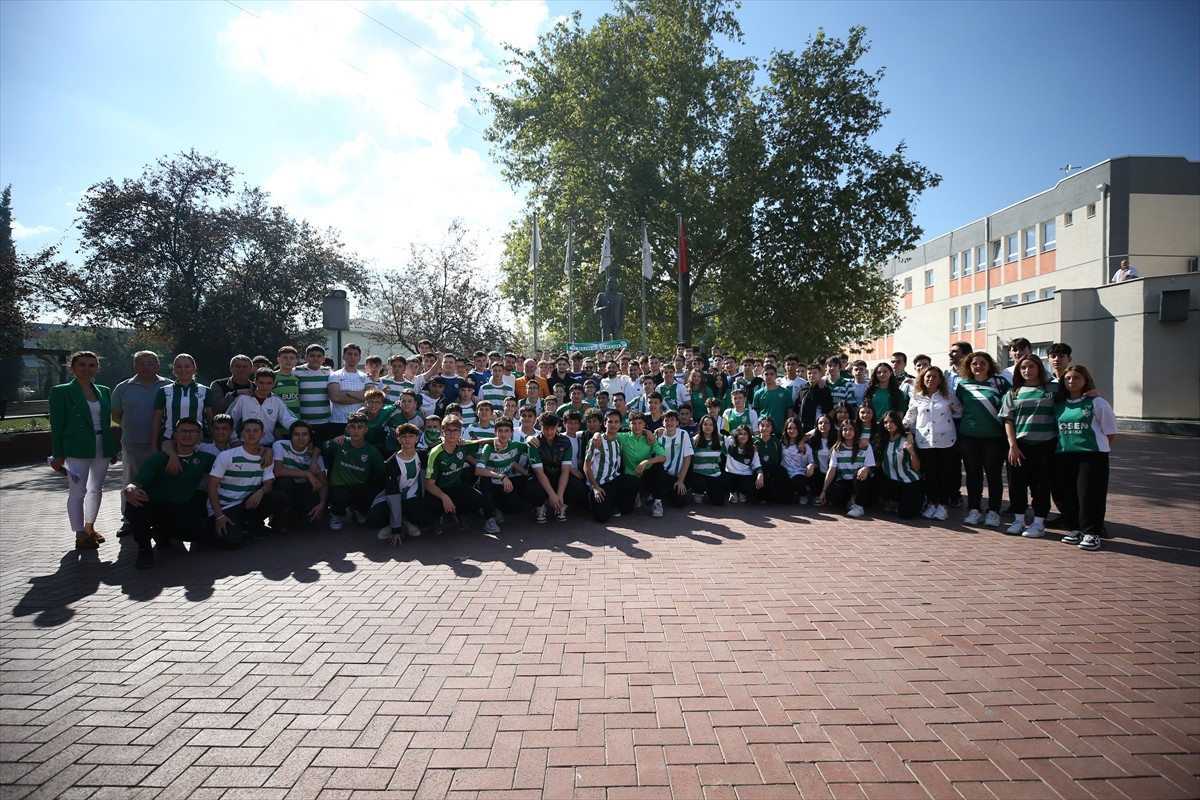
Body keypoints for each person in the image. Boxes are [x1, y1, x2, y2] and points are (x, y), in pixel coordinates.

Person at [49, 351, 118, 551]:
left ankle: (90, 528)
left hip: (101, 444)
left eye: (91, 365)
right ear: (72, 367)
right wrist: (58, 454)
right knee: (78, 490)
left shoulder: (103, 390)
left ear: (97, 368)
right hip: (76, 446)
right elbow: (57, 424)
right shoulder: (61, 391)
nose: (87, 369)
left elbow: (106, 422)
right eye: (82, 365)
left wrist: (111, 448)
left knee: (96, 489)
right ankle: (79, 533)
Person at [123, 417, 214, 568]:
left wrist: (264, 452)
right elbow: (135, 483)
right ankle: (144, 549)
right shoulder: (158, 458)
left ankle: (162, 532)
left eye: (192, 431)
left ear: (199, 436)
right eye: (182, 431)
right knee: (135, 504)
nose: (187, 434)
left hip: (179, 508)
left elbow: (231, 463)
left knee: (201, 535)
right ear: (175, 435)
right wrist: (129, 490)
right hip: (153, 504)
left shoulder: (203, 459)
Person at [1055, 365, 1118, 551]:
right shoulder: (1059, 404)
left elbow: (1111, 431)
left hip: (1092, 455)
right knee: (1069, 494)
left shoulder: (1097, 402)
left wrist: (1100, 449)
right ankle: (1075, 529)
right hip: (1065, 454)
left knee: (1090, 495)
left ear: (1086, 380)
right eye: (1068, 378)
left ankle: (1092, 533)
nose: (1071, 382)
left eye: (1076, 378)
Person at [110, 350, 171, 536]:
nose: (146, 367)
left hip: (163, 445)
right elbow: (116, 415)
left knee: (162, 482)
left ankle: (161, 519)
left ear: (158, 366)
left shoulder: (168, 386)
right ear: (135, 366)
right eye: (142, 363)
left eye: (151, 363)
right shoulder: (123, 388)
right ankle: (129, 520)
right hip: (134, 444)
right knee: (131, 483)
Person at [998, 354, 1058, 538]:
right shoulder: (1013, 392)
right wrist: (1013, 446)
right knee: (1017, 485)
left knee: (1041, 485)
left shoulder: (1053, 389)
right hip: (1020, 446)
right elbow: (1008, 420)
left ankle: (1038, 523)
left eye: (1031, 366)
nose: (1027, 371)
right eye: (1023, 367)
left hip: (1046, 445)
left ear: (1039, 368)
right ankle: (1018, 520)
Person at [206, 418, 286, 547]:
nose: (251, 434)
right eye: (247, 431)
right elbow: (212, 486)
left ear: (263, 435)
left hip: (246, 504)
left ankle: (249, 525)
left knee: (280, 497)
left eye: (255, 431)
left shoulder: (265, 457)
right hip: (225, 507)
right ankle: (225, 528)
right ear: (242, 434)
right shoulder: (227, 456)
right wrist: (219, 516)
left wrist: (260, 492)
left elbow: (268, 485)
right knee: (233, 543)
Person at [955, 352, 1009, 527]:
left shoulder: (1000, 383)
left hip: (994, 437)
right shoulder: (963, 385)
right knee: (973, 474)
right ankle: (974, 509)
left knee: (993, 475)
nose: (978, 366)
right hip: (968, 437)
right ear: (969, 366)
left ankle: (993, 511)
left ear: (989, 364)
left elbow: (1008, 406)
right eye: (974, 363)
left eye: (982, 363)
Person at [903, 366, 962, 521]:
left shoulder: (947, 395)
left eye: (934, 377)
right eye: (928, 376)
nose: (930, 379)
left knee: (945, 474)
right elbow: (910, 415)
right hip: (925, 441)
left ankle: (943, 506)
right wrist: (901, 428)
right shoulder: (917, 396)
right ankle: (931, 503)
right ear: (922, 378)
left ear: (940, 380)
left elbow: (959, 409)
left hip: (946, 441)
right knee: (929, 475)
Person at [523, 412, 589, 522]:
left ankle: (562, 505)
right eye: (546, 428)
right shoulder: (534, 442)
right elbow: (539, 472)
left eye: (552, 428)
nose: (549, 432)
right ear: (540, 426)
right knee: (530, 491)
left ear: (557, 426)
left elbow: (565, 470)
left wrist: (559, 494)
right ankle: (540, 506)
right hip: (541, 476)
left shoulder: (565, 441)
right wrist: (552, 495)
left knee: (579, 489)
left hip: (559, 474)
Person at [324, 412, 386, 530]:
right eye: (352, 427)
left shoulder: (371, 450)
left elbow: (382, 470)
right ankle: (337, 514)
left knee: (374, 497)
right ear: (347, 429)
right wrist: (312, 462)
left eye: (360, 427)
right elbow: (319, 447)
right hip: (339, 488)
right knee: (340, 498)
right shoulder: (339, 442)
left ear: (366, 429)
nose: (356, 431)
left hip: (359, 486)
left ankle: (358, 510)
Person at [423, 414, 484, 533]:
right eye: (448, 430)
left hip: (456, 486)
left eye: (455, 430)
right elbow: (429, 485)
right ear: (442, 431)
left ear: (460, 432)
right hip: (438, 490)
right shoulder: (435, 453)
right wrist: (444, 497)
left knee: (478, 500)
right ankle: (437, 517)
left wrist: (498, 440)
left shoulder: (462, 445)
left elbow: (484, 442)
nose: (452, 434)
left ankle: (459, 513)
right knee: (432, 507)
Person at [475, 416, 531, 534]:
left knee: (519, 507)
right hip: (489, 484)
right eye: (500, 431)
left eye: (506, 431)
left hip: (503, 485)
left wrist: (530, 438)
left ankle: (495, 507)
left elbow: (529, 448)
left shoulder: (516, 446)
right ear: (495, 432)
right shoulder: (489, 447)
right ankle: (488, 518)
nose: (503, 434)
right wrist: (501, 476)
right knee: (484, 480)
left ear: (512, 432)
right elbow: (478, 470)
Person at [269, 420, 327, 526]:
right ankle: (279, 517)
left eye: (304, 434)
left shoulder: (315, 456)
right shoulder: (280, 445)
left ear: (310, 437)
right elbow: (278, 471)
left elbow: (323, 482)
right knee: (285, 482)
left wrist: (323, 503)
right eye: (296, 434)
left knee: (314, 497)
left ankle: (296, 515)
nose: (300, 438)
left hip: (302, 489)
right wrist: (307, 474)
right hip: (284, 488)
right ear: (291, 436)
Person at [151, 354, 215, 449]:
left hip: (199, 440)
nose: (183, 370)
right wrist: (153, 446)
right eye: (179, 367)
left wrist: (214, 442)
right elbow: (157, 420)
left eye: (187, 366)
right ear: (174, 369)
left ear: (194, 368)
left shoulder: (205, 391)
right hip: (169, 439)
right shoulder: (164, 391)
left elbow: (210, 420)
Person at [228, 368, 299, 445]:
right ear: (255, 382)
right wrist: (233, 439)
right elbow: (229, 420)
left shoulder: (277, 401)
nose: (265, 387)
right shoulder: (243, 399)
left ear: (274, 384)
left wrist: (302, 428)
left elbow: (289, 420)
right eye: (261, 383)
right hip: (245, 445)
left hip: (269, 445)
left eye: (269, 383)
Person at [819, 419, 874, 518]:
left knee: (862, 472)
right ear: (841, 432)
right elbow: (831, 470)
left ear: (855, 431)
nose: (848, 432)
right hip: (845, 481)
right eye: (845, 429)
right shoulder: (837, 448)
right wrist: (824, 491)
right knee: (832, 492)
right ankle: (850, 500)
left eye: (851, 429)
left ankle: (858, 506)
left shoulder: (865, 446)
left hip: (859, 481)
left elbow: (869, 467)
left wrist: (865, 469)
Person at [875, 411, 924, 519]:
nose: (889, 425)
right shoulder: (883, 440)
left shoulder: (906, 440)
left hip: (911, 481)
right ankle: (897, 501)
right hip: (894, 481)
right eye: (885, 422)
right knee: (878, 485)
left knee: (905, 514)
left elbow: (916, 467)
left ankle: (918, 501)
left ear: (898, 422)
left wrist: (911, 452)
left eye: (892, 421)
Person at [328, 343, 375, 435]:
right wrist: (361, 395)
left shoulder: (366, 377)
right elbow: (336, 398)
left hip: (360, 422)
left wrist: (348, 393)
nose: (352, 357)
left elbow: (370, 397)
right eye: (349, 354)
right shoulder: (335, 375)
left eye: (355, 354)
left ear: (359, 358)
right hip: (339, 421)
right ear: (343, 356)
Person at [295, 344, 334, 443]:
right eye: (312, 355)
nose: (315, 358)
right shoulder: (296, 371)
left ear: (323, 359)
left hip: (324, 422)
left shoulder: (329, 372)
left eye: (319, 356)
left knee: (321, 452)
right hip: (303, 422)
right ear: (306, 357)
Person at [687, 414, 729, 506]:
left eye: (711, 424)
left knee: (719, 502)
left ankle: (711, 492)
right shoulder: (694, 440)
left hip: (714, 475)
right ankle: (698, 492)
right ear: (701, 426)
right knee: (700, 484)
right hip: (699, 474)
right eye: (705, 424)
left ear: (714, 426)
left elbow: (734, 447)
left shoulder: (721, 439)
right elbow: (687, 459)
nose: (708, 427)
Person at [723, 424, 763, 504]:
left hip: (745, 476)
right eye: (740, 434)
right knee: (724, 479)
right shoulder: (730, 444)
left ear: (749, 436)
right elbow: (717, 435)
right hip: (731, 474)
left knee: (751, 489)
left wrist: (760, 475)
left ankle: (742, 493)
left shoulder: (753, 450)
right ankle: (733, 492)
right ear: (736, 436)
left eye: (745, 434)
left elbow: (758, 467)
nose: (743, 436)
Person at [780, 417, 815, 505]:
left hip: (799, 473)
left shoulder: (806, 446)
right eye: (789, 428)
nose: (792, 431)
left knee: (799, 480)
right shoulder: (781, 444)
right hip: (785, 473)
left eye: (795, 428)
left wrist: (811, 465)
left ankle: (803, 494)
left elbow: (812, 461)